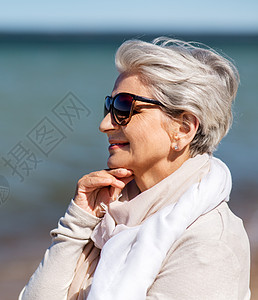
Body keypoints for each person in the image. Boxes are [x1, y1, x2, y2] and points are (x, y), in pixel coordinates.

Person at [19, 37, 251, 300]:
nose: (105, 124)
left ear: (183, 129)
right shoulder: (109, 213)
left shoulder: (209, 246)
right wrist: (77, 222)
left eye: (124, 107)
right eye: (110, 106)